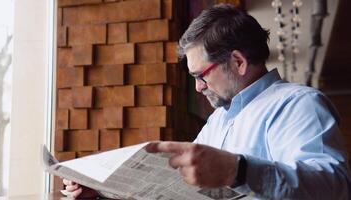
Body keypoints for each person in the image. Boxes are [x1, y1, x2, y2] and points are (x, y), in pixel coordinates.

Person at [63, 4, 351, 199]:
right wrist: (104, 194)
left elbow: (334, 187)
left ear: (238, 61)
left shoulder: (299, 104)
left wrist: (238, 170)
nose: (198, 87)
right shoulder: (218, 120)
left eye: (201, 75)